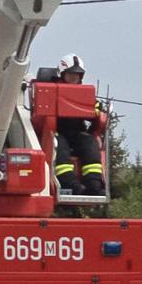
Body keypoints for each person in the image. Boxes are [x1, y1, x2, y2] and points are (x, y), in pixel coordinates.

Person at [51, 54, 105, 196]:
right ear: (62, 74)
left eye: (77, 75)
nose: (74, 78)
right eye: (70, 74)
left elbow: (97, 112)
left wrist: (96, 111)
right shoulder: (50, 91)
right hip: (56, 131)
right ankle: (70, 184)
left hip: (77, 132)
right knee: (59, 147)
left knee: (90, 143)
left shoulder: (86, 94)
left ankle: (94, 185)